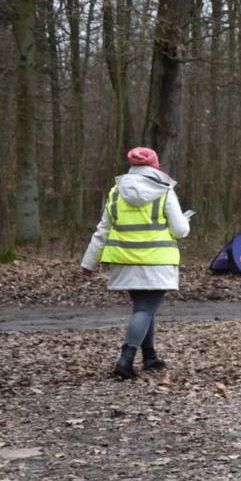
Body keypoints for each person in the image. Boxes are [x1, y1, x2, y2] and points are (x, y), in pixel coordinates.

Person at [81, 147, 190, 379]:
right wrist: (186, 222)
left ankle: (149, 356)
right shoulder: (164, 191)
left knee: (143, 308)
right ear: (155, 166)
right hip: (156, 261)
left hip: (125, 260)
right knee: (145, 309)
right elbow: (180, 231)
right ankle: (126, 359)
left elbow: (102, 230)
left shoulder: (115, 193)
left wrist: (88, 263)